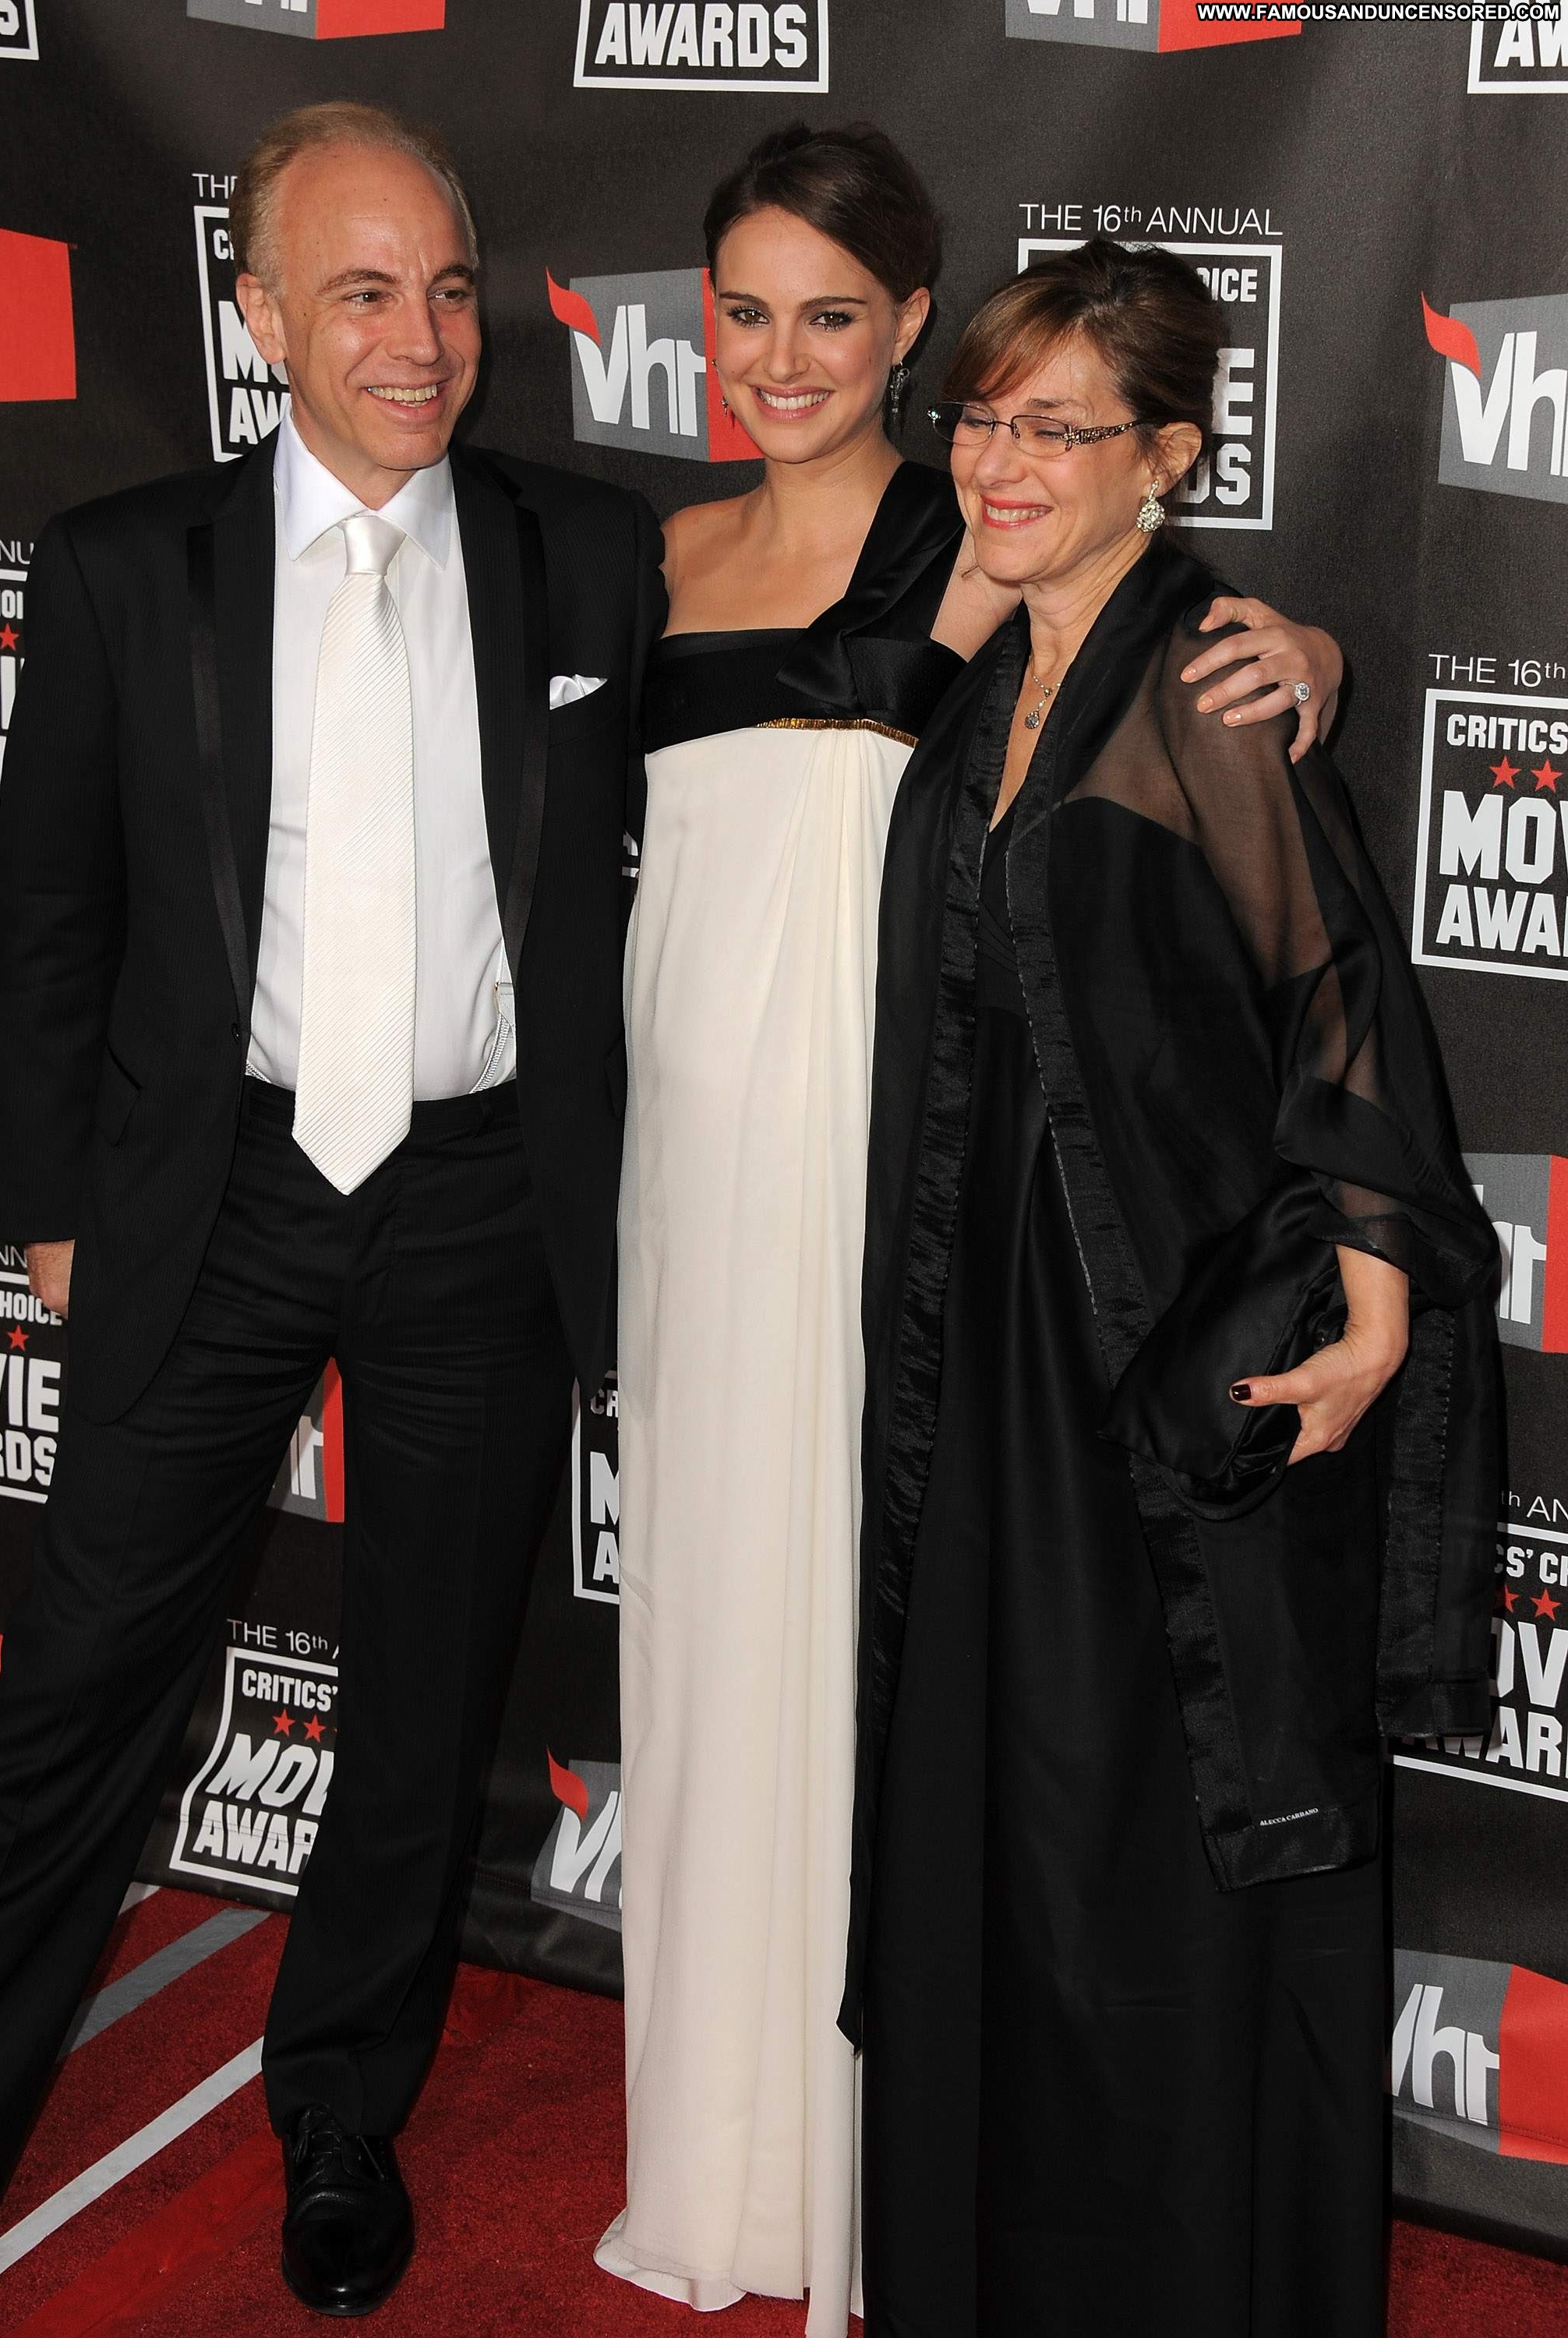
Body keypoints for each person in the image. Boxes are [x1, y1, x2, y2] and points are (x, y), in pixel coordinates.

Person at [0, 101, 662, 2316]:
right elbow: (50, 911)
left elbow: (854, 632)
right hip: (214, 1187)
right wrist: (59, 1206)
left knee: (425, 1704)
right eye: (360, 292)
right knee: (77, 1683)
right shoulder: (119, 565)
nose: (420, 338)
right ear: (256, 313)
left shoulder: (586, 554)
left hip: (480, 1200)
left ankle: (342, 2113)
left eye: (446, 288)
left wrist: (1255, 642)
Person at [602, 129, 1344, 2336]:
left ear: (909, 327)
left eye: (834, 314)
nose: (783, 357)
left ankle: (885, 2176)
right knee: (724, 1635)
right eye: (745, 311)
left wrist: (1313, 640)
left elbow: (1174, 647)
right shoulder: (638, 550)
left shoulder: (982, 523)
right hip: (697, 1191)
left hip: (910, 1192)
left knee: (892, 1658)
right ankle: (725, 2156)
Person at [844, 236, 1502, 2338]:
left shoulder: (1210, 685)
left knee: (1135, 1820)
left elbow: (1340, 988)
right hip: (972, 1334)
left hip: (1139, 1350)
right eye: (983, 416)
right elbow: (841, 675)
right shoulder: (988, 653)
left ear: (1169, 455)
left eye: (1062, 427)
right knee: (992, 1815)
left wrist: (1379, 1297)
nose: (1003, 459)